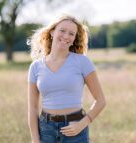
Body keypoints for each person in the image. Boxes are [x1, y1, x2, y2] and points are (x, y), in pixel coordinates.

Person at [27, 14, 106, 143]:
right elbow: (33, 108)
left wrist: (82, 124)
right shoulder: (35, 67)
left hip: (76, 129)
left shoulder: (82, 62)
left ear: (74, 38)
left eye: (71, 34)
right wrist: (35, 140)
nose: (66, 36)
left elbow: (101, 100)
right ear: (52, 32)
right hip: (46, 130)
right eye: (62, 31)